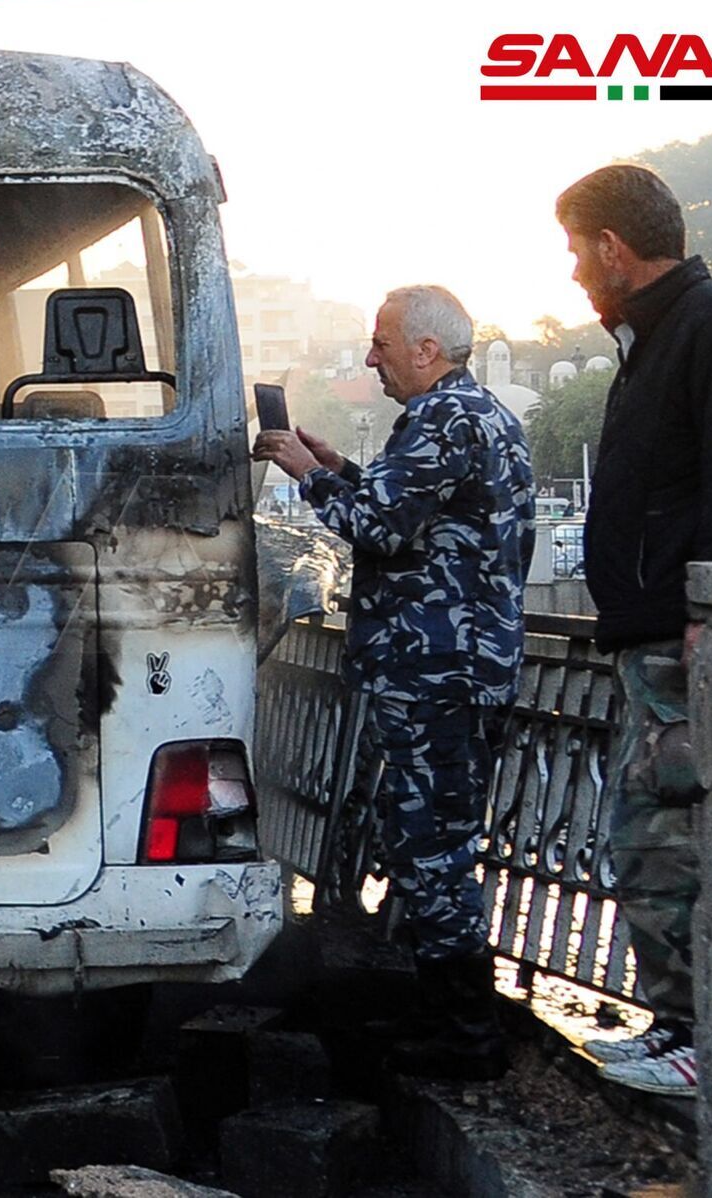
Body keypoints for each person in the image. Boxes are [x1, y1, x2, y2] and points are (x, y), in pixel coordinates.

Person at [555, 164, 712, 1097]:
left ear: (614, 248)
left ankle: (703, 1038)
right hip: (652, 638)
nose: (574, 270)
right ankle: (676, 1025)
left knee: (678, 841)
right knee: (645, 839)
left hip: (686, 641)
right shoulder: (659, 338)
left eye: (578, 251)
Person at [255, 285, 534, 1080]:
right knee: (431, 841)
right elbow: (404, 511)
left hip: (436, 676)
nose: (372, 358)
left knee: (434, 851)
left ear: (426, 349)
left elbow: (377, 528)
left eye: (382, 343)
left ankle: (466, 1034)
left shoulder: (444, 421)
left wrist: (306, 473)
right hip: (459, 672)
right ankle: (447, 1016)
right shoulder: (478, 417)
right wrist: (339, 466)